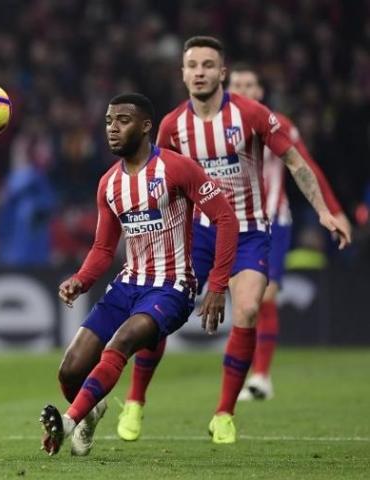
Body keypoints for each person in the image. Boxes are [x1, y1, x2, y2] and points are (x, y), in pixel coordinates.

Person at [116, 36, 352, 444]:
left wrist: (323, 210)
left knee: (247, 309)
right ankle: (136, 400)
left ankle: (224, 412)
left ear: (221, 72)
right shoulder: (173, 125)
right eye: (193, 65)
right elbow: (155, 181)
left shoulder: (251, 115)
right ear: (184, 73)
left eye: (209, 65)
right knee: (159, 318)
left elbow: (295, 161)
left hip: (248, 231)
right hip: (197, 235)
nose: (201, 72)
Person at [39, 93, 239, 456]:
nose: (113, 129)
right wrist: (80, 279)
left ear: (146, 126)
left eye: (123, 121)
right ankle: (91, 410)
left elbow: (226, 217)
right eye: (108, 121)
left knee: (120, 344)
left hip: (172, 288)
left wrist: (218, 284)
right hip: (128, 285)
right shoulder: (108, 184)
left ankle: (68, 422)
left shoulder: (178, 169)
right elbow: (103, 249)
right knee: (70, 370)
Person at [228, 63, 352, 401]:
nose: (242, 89)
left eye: (249, 83)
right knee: (244, 303)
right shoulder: (210, 128)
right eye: (236, 83)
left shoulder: (277, 125)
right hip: (228, 225)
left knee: (265, 295)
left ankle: (262, 377)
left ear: (260, 92)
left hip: (271, 222)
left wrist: (334, 211)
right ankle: (245, 374)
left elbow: (306, 166)